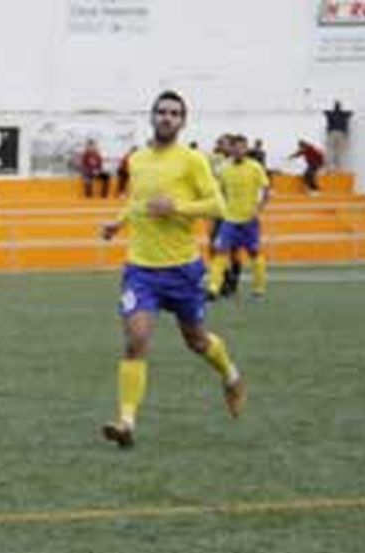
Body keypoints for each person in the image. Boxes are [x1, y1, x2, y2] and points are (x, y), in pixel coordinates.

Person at [98, 91, 245, 449]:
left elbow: (218, 206)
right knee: (136, 342)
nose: (167, 118)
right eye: (161, 112)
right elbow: (136, 200)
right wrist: (118, 223)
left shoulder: (192, 161)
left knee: (196, 340)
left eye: (174, 114)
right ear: (152, 117)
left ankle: (230, 376)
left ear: (183, 121)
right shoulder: (137, 159)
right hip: (141, 270)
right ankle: (127, 422)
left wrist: (176, 206)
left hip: (182, 269)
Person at [206, 135, 269, 301]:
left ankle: (259, 289)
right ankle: (213, 288)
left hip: (249, 220)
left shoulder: (255, 167)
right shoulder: (224, 169)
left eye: (243, 147)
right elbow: (218, 192)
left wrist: (259, 207)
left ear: (246, 149)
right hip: (229, 220)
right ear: (232, 149)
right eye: (237, 147)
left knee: (254, 253)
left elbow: (264, 189)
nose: (240, 150)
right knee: (220, 251)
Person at [324, 100, 352, 171]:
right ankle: (339, 168)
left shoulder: (330, 113)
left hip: (332, 133)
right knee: (339, 152)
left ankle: (329, 168)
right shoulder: (344, 114)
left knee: (330, 150)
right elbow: (350, 113)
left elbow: (325, 112)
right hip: (341, 134)